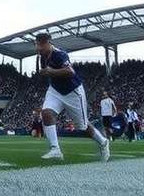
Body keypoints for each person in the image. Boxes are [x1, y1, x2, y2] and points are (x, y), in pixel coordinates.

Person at [34, 33, 110, 161]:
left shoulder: (60, 54)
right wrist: (44, 72)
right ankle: (55, 149)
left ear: (48, 43)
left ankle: (103, 142)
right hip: (55, 90)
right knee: (46, 113)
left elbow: (70, 72)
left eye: (41, 45)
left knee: (83, 126)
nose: (39, 48)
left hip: (72, 92)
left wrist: (50, 71)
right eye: (37, 44)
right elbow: (46, 71)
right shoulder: (42, 56)